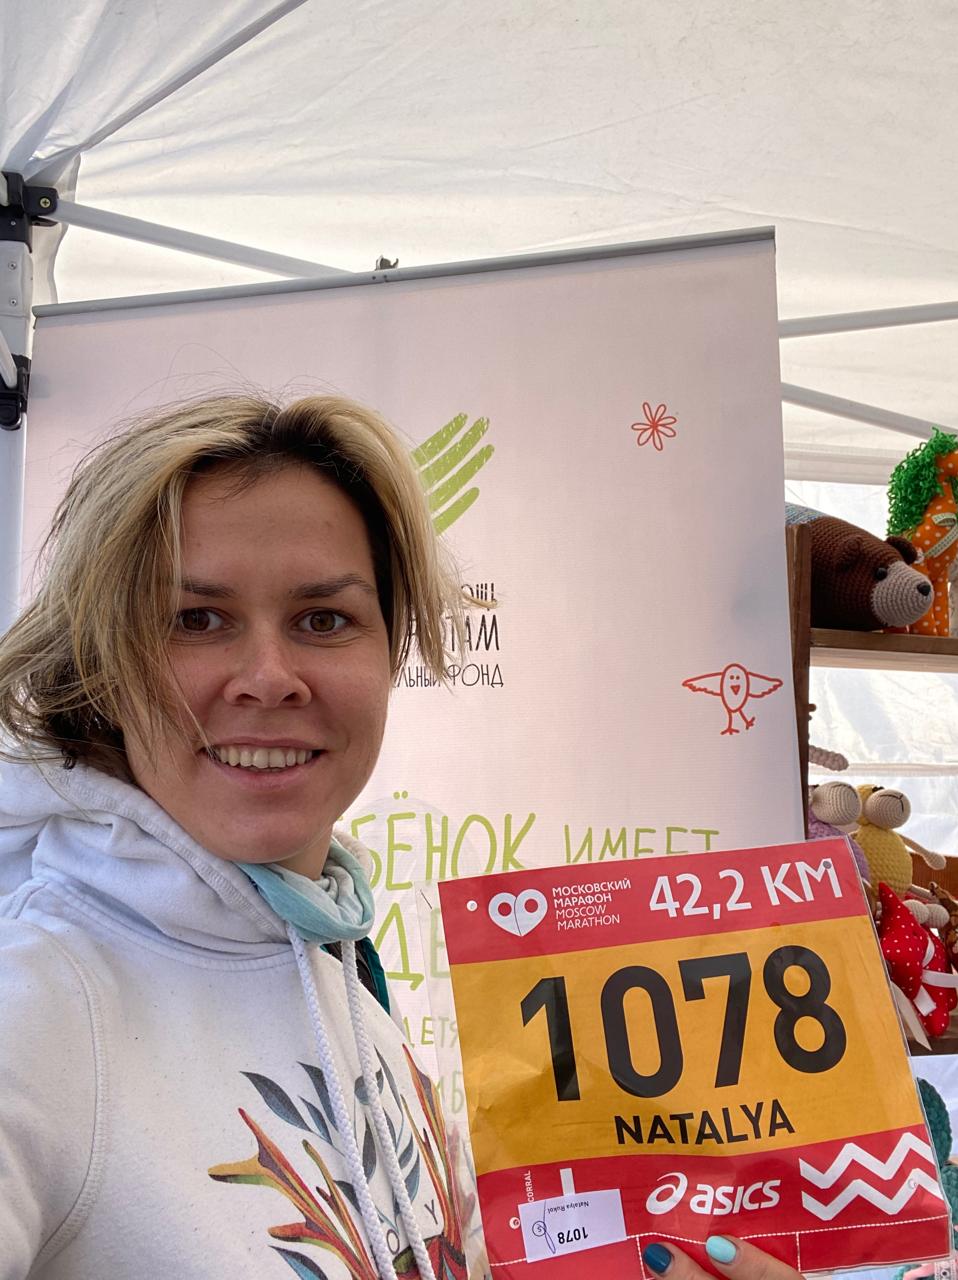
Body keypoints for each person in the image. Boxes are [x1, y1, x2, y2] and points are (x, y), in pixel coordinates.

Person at [0, 392, 807, 1280]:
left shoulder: (338, 984)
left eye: (323, 619)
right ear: (102, 667)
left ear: (390, 655)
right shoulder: (32, 1005)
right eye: (195, 619)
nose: (268, 677)